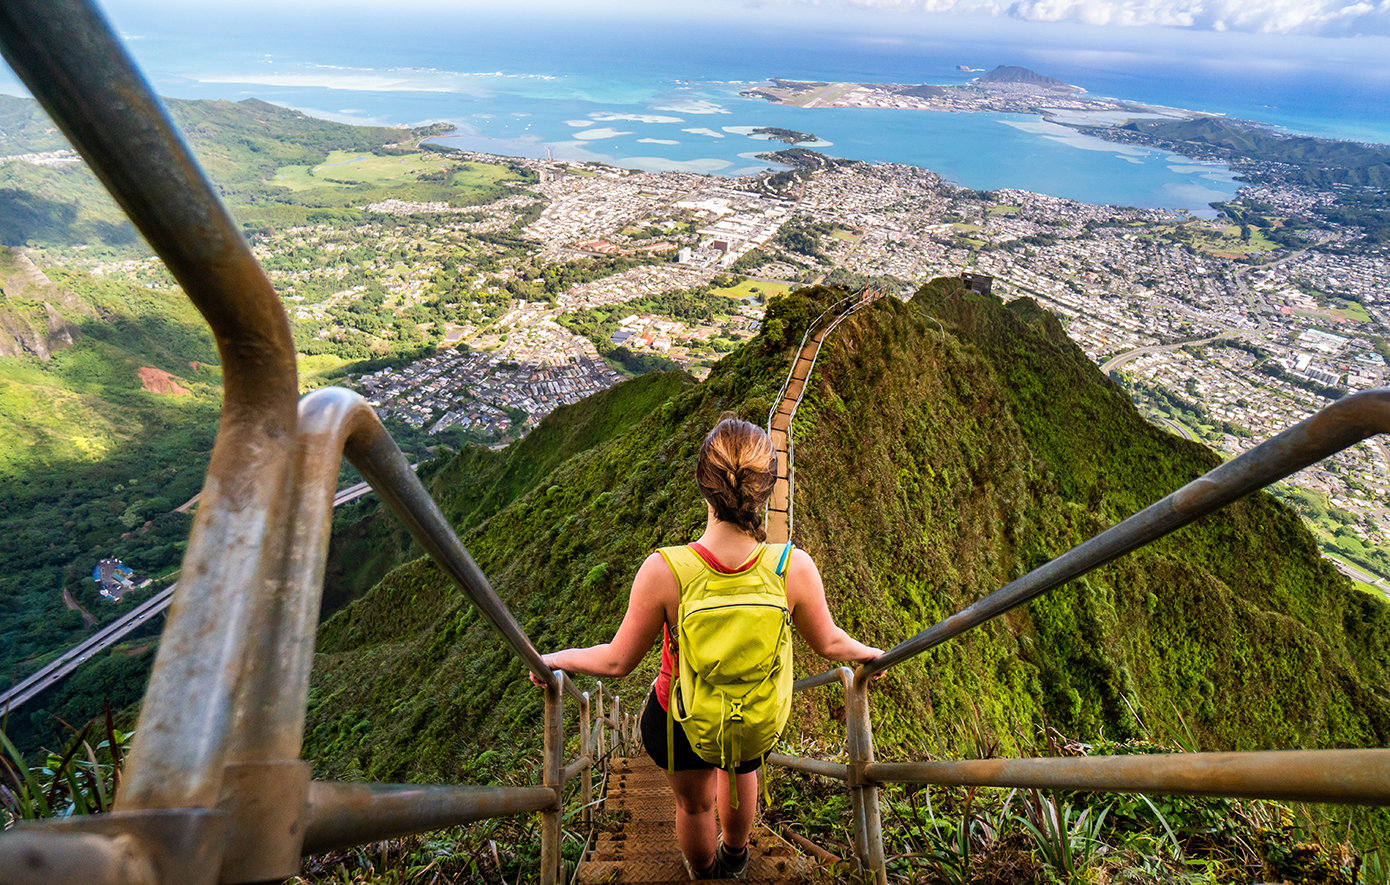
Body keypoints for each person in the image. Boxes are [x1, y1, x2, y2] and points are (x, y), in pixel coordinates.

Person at [533, 415, 883, 879]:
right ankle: (735, 856)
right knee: (742, 776)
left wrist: (554, 660)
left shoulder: (665, 570)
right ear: (767, 491)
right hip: (754, 713)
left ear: (703, 486)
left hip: (679, 716)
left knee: (694, 806)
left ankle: (701, 872)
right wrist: (868, 655)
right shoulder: (791, 567)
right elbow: (830, 642)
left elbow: (617, 660)